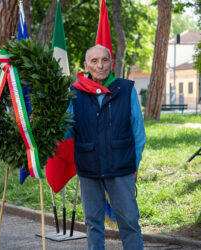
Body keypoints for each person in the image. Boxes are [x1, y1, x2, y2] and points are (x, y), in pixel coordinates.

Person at [65, 45, 146, 250]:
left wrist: (134, 164)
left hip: (120, 167)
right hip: (88, 167)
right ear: (86, 65)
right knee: (93, 223)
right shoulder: (75, 92)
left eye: (104, 60)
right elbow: (66, 131)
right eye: (94, 61)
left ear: (112, 63)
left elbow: (138, 132)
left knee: (129, 222)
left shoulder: (126, 89)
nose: (100, 65)